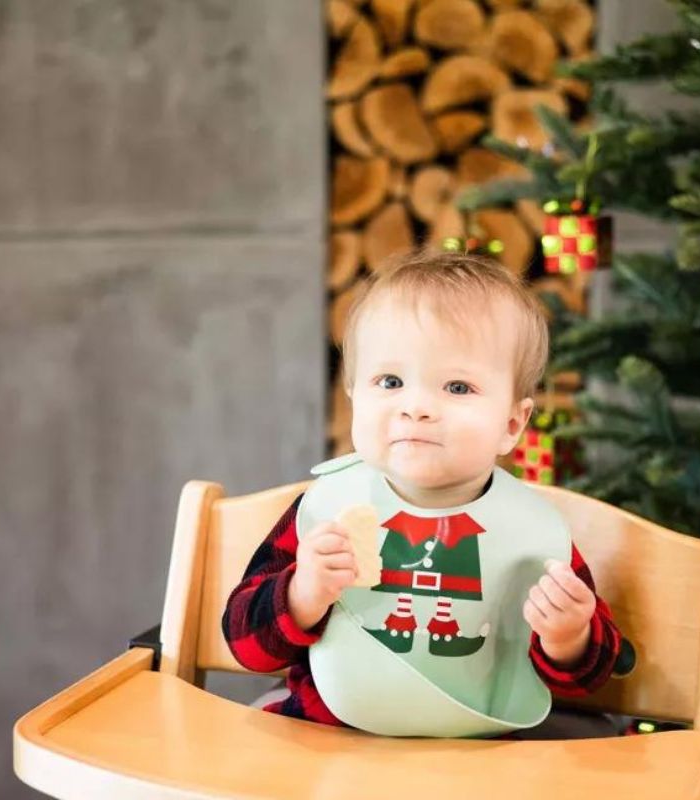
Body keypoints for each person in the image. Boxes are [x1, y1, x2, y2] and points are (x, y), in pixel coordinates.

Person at [222, 250, 621, 736]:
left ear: (512, 424)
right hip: (327, 739)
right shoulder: (329, 508)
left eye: (457, 387)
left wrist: (569, 637)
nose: (416, 407)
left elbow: (591, 675)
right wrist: (302, 594)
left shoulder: (525, 530)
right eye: (390, 381)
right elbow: (244, 642)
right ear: (354, 398)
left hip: (481, 752)